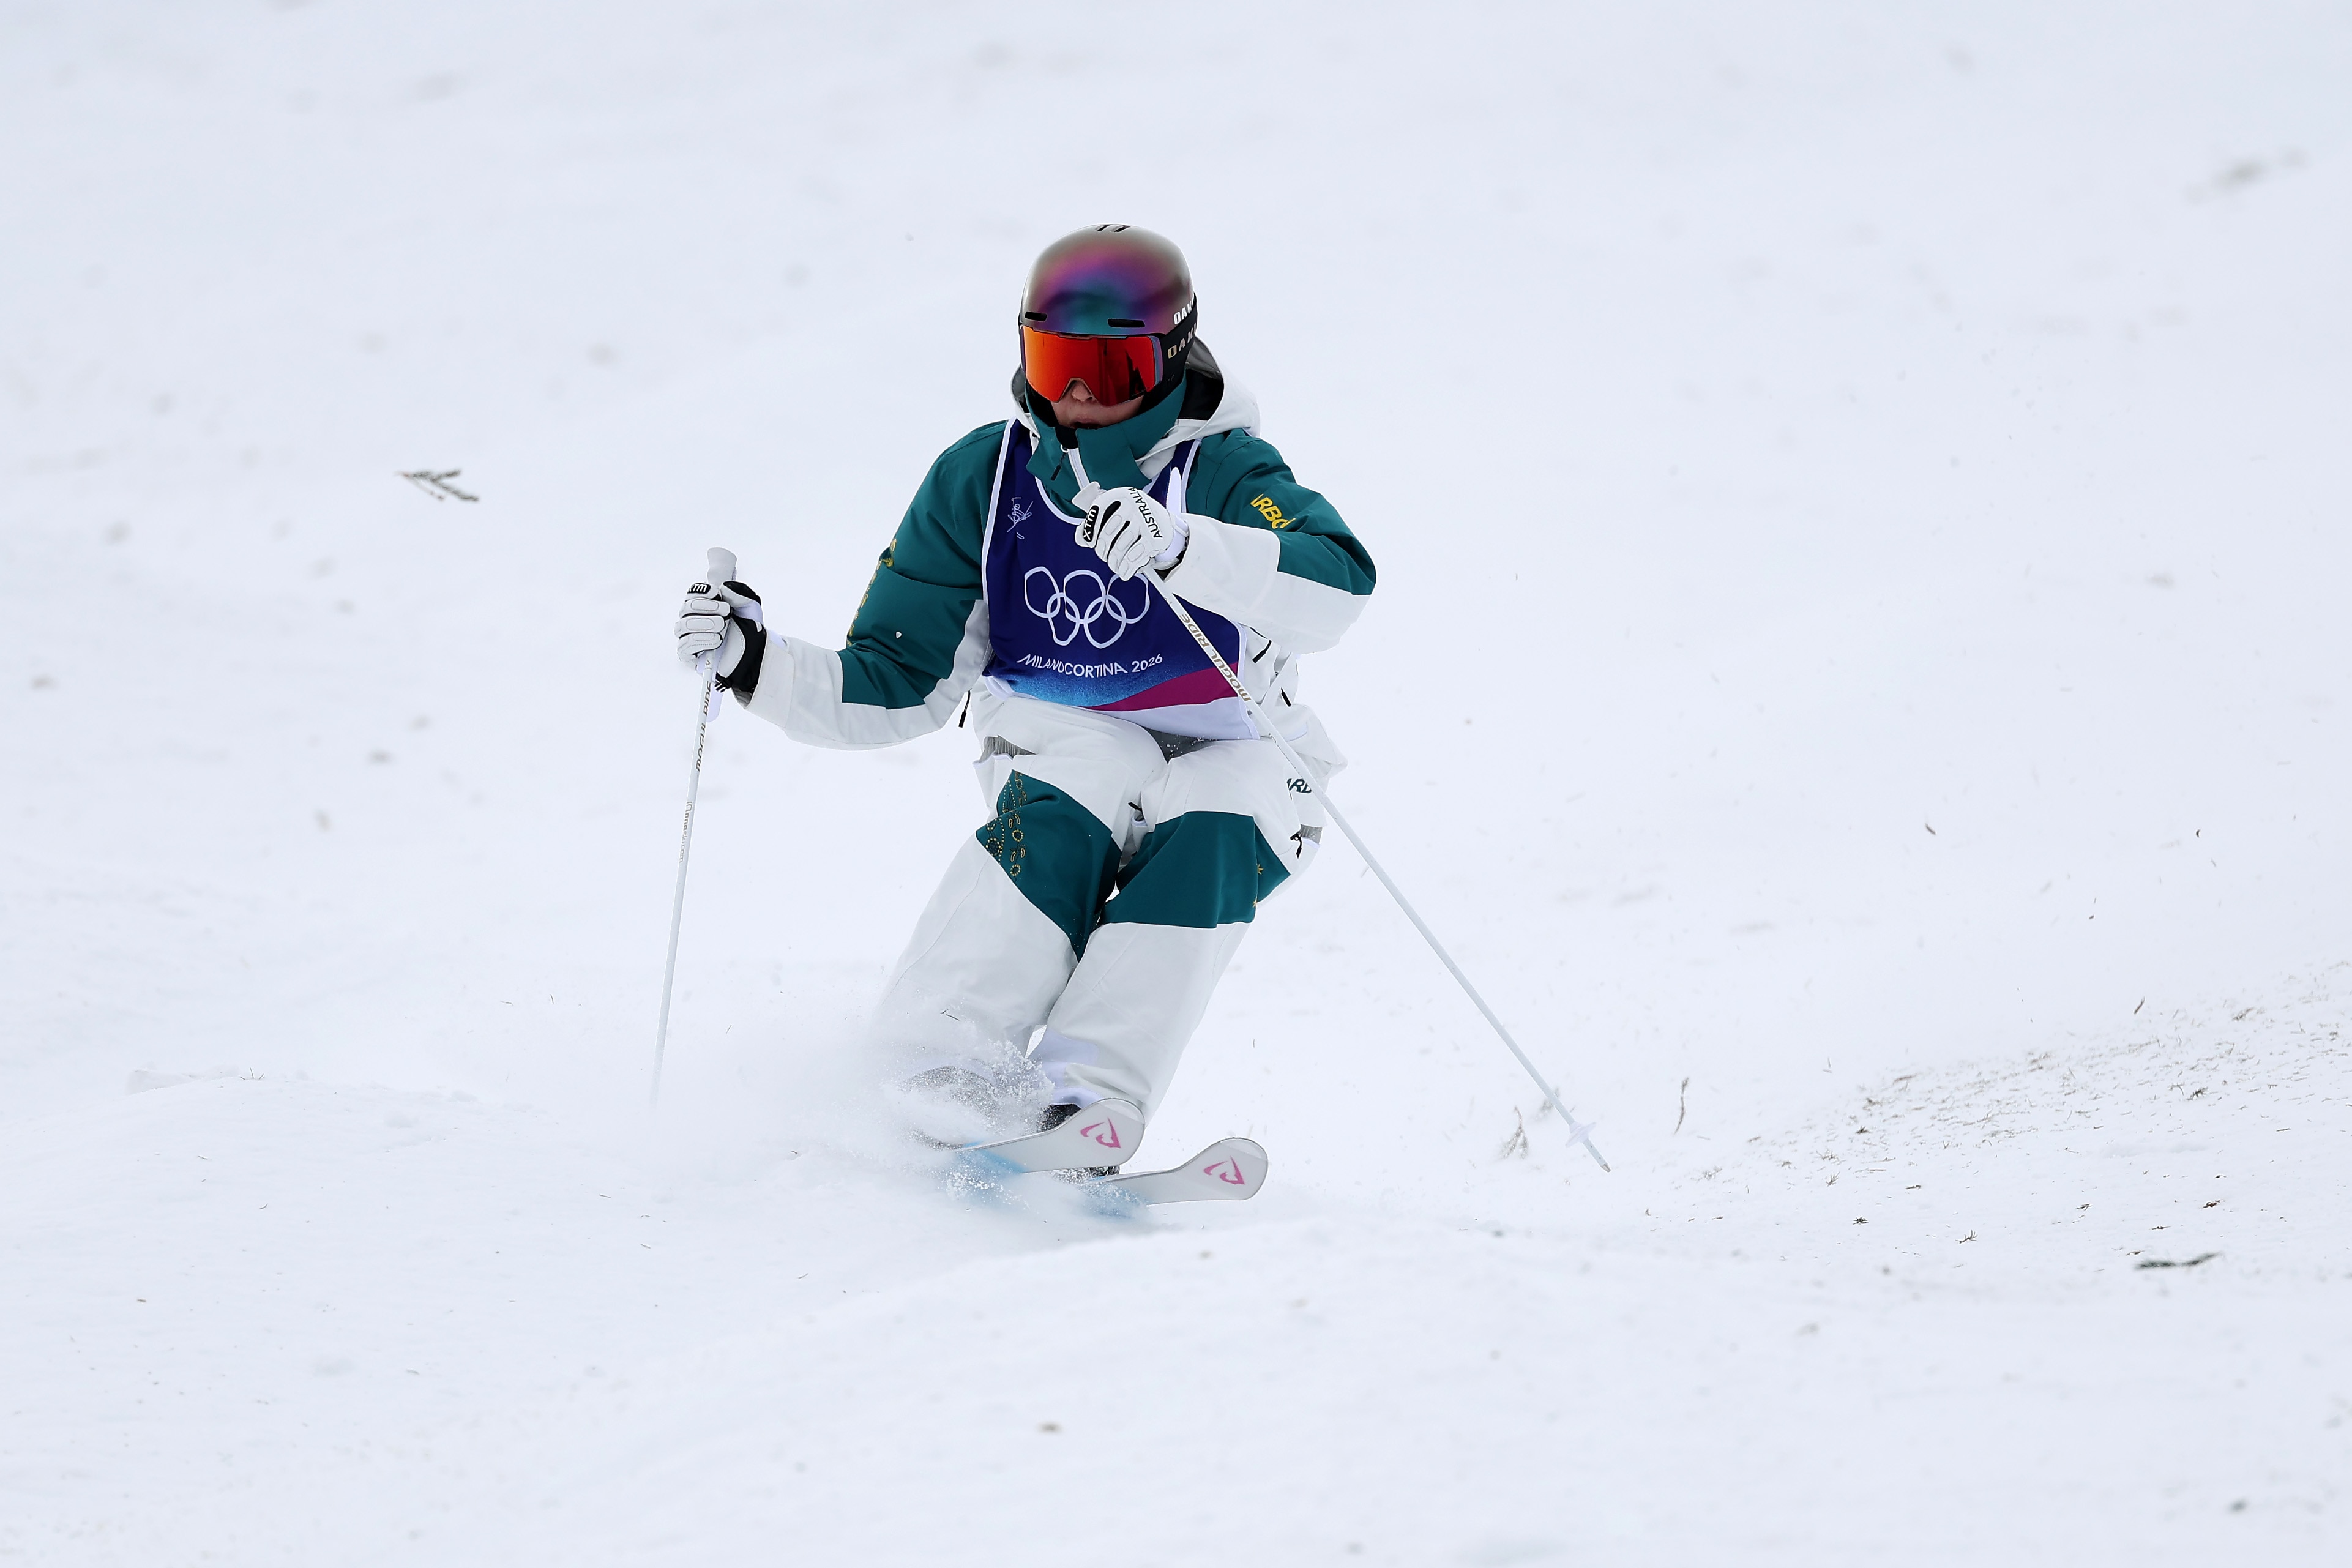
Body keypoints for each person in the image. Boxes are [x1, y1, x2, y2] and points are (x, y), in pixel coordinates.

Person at [673, 223, 1375, 1149]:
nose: (1079, 397)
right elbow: (897, 678)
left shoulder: (1228, 469)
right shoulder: (989, 477)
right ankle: (937, 1056)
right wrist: (755, 662)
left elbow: (1337, 585)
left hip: (1237, 744)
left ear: (1169, 358)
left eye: (1111, 370)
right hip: (1066, 734)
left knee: (1217, 826)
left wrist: (1188, 547)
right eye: (1055, 365)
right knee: (1065, 803)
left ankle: (1083, 1098)